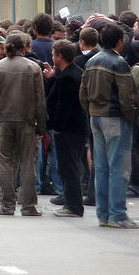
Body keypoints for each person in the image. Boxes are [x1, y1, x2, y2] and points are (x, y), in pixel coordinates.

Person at [79, 22, 139, 229]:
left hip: (95, 116)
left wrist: (89, 110)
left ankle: (103, 214)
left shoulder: (92, 61)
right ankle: (118, 214)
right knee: (119, 168)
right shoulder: (119, 63)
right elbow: (126, 95)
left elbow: (83, 92)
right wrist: (131, 115)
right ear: (120, 42)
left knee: (102, 167)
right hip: (115, 117)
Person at [0, 32, 46, 217]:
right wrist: (41, 126)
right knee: (28, 164)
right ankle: (28, 205)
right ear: (24, 47)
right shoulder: (33, 68)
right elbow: (40, 100)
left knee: (5, 163)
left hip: (3, 121)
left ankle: (6, 205)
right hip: (26, 121)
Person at [46, 39, 87, 218]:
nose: (52, 57)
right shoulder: (72, 72)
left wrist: (54, 125)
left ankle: (73, 206)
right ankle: (72, 203)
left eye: (54, 54)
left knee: (69, 167)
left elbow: (64, 107)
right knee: (71, 166)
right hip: (74, 128)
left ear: (60, 56)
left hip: (69, 130)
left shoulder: (68, 77)